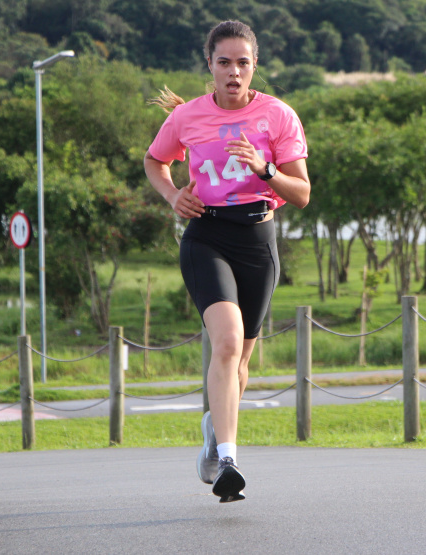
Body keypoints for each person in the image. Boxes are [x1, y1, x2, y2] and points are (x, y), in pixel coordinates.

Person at [144, 20, 310, 503]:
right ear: (209, 66)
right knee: (227, 342)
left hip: (258, 237)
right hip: (207, 236)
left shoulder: (278, 116)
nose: (233, 72)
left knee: (241, 363)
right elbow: (156, 161)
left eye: (242, 62)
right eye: (224, 62)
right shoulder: (188, 117)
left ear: (254, 66)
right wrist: (174, 196)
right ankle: (229, 462)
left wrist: (266, 169)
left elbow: (301, 194)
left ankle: (214, 432)